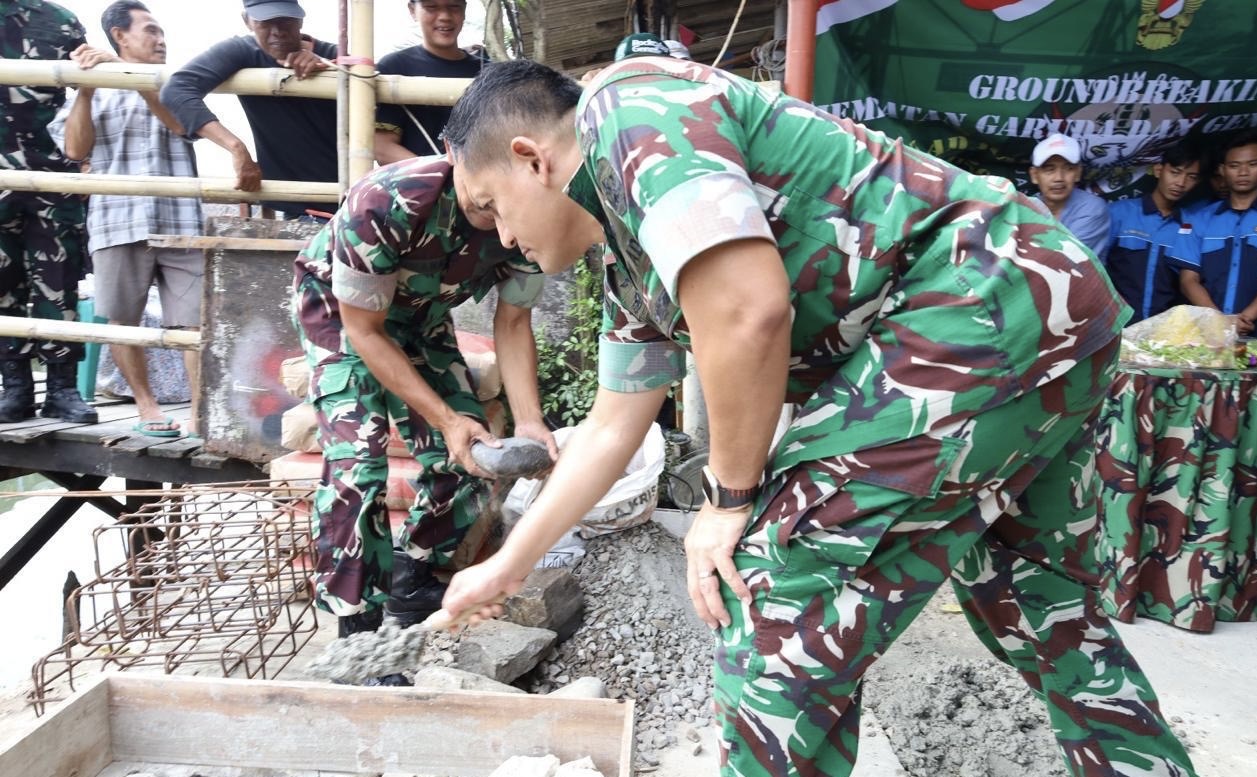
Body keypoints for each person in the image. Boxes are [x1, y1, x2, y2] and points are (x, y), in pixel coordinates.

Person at [439, 59, 1198, 776]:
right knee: (1039, 605)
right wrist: (506, 568)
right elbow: (611, 427)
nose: (502, 238)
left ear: (531, 157)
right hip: (1049, 307)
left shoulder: (627, 110)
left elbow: (748, 310)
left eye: (489, 207)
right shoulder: (633, 264)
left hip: (980, 303)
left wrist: (727, 499)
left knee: (773, 583)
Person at [292, 153, 556, 684]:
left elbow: (514, 320)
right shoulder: (388, 199)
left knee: (472, 458)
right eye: (486, 213)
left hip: (421, 317)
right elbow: (365, 331)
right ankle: (360, 641)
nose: (502, 231)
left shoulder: (529, 211)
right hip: (344, 316)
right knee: (357, 469)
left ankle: (412, 577)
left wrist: (529, 421)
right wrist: (445, 417)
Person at [49, 0, 202, 438]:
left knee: (193, 322)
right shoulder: (93, 82)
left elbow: (180, 124)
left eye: (160, 31)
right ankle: (147, 406)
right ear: (120, 35)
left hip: (180, 221)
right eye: (150, 30)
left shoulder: (177, 80)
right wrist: (86, 87)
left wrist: (126, 74)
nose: (161, 39)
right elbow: (76, 150)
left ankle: (198, 410)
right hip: (117, 219)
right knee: (122, 321)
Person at [0, 0, 98, 425]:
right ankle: (14, 389)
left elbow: (90, 76)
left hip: (50, 173)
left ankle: (62, 388)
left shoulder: (58, 20)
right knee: (2, 284)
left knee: (59, 282)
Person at [159, 0, 339, 219]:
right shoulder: (243, 51)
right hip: (295, 206)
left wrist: (331, 68)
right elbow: (177, 90)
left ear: (300, 19)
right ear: (247, 22)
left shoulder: (335, 57)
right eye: (265, 22)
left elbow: (375, 82)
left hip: (351, 198)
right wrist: (236, 148)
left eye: (284, 21)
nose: (277, 32)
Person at [1169, 131, 1257, 341]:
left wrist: (1246, 317)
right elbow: (1188, 280)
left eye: (1253, 164)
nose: (1243, 172)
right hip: (1209, 336)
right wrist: (1220, 321)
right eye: (1234, 166)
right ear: (1222, 169)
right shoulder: (1199, 219)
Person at [373, 0, 480, 164]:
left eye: (454, 6)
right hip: (418, 186)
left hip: (479, 184)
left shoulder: (487, 70)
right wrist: (442, 177)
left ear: (464, 10)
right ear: (412, 10)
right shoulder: (394, 67)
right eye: (431, 7)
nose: (445, 17)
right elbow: (382, 147)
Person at [1104, 144, 1201, 324]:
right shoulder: (1119, 213)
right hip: (1115, 325)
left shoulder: (1192, 225)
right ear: (1158, 170)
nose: (1181, 183)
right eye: (1175, 172)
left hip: (1165, 332)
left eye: (1191, 177)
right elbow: (1095, 267)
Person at [1029, 132, 1111, 262]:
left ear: (1078, 173)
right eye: (1049, 169)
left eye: (1068, 169)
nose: (1059, 178)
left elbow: (1065, 260)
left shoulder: (1093, 209)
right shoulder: (1026, 207)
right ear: (1034, 175)